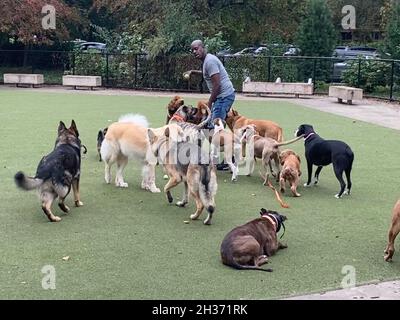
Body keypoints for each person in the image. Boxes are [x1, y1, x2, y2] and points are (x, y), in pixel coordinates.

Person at [190, 39, 236, 170]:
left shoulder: (209, 61)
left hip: (223, 97)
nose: (194, 51)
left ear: (203, 48)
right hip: (222, 97)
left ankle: (228, 160)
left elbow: (217, 84)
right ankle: (217, 157)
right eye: (192, 50)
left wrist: (209, 103)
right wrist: (194, 72)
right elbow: (209, 75)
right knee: (212, 127)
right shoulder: (207, 61)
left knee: (215, 128)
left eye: (196, 48)